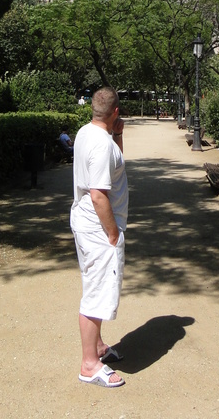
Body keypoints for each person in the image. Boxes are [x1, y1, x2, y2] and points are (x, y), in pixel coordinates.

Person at [70, 86, 127, 388]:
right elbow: (98, 195)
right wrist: (113, 232)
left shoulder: (86, 133)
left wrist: (117, 134)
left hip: (86, 222)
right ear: (116, 112)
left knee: (97, 284)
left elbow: (115, 166)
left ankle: (98, 347)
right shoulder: (102, 145)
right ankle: (89, 365)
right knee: (96, 292)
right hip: (98, 228)